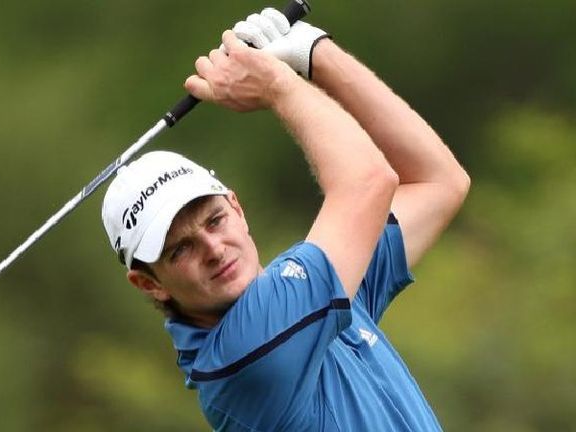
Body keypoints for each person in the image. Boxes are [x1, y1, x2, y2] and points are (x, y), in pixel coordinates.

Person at [101, 8, 470, 432]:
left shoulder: (312, 293)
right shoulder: (245, 353)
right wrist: (279, 85)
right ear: (149, 283)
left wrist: (314, 53)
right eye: (180, 249)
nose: (213, 249)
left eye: (215, 220)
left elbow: (438, 182)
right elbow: (368, 182)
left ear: (237, 208)